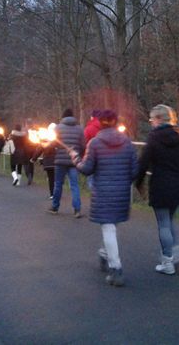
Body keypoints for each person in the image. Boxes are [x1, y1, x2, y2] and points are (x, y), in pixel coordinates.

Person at [70, 109, 137, 286]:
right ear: (116, 121)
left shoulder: (95, 143)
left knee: (108, 227)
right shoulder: (127, 142)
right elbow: (135, 171)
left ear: (100, 122)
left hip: (104, 191)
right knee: (111, 226)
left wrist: (76, 159)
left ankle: (116, 268)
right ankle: (104, 254)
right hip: (121, 191)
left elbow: (87, 169)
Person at [135, 104, 179, 275]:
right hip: (177, 184)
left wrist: (138, 182)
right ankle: (176, 254)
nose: (151, 122)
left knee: (163, 224)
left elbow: (143, 163)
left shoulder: (153, 139)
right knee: (170, 220)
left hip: (160, 185)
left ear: (159, 119)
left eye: (152, 119)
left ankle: (167, 261)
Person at [49, 108, 85, 217]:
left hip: (60, 161)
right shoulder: (79, 129)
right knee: (74, 185)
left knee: (58, 184)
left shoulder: (57, 128)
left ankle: (55, 207)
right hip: (74, 161)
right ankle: (77, 209)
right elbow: (83, 145)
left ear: (63, 117)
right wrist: (80, 155)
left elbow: (53, 144)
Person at [31, 130, 56, 198]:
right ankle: (57, 192)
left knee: (51, 178)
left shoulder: (43, 143)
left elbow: (38, 152)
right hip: (56, 163)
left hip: (48, 163)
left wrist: (33, 159)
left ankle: (52, 194)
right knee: (56, 178)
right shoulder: (55, 142)